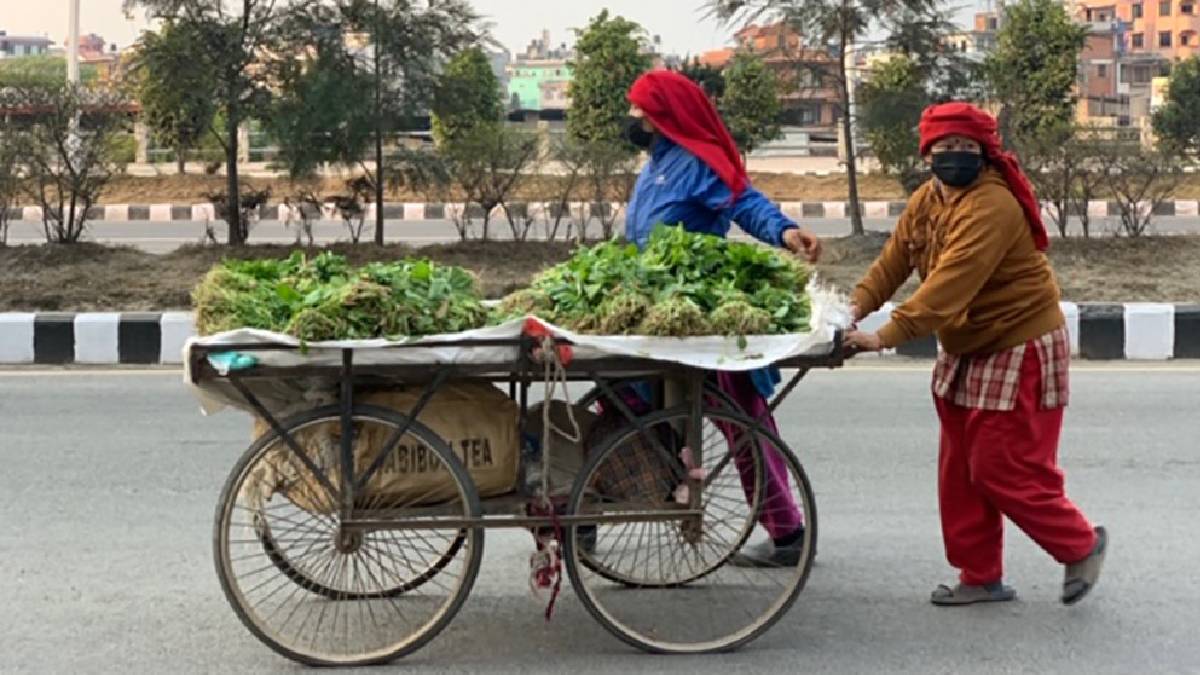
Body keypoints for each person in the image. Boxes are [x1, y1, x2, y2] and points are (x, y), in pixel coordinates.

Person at [843, 102, 1108, 605]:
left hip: (1016, 341)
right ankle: (979, 574)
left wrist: (884, 336)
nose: (955, 155)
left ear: (984, 152)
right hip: (966, 342)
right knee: (960, 469)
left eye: (966, 147)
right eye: (945, 147)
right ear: (928, 154)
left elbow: (949, 285)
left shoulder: (993, 205)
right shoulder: (928, 199)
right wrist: (852, 309)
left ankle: (1080, 544)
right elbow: (892, 262)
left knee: (1000, 467)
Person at [608, 69, 821, 568]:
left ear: (663, 116)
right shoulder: (655, 164)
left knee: (742, 420)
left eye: (640, 110)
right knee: (622, 398)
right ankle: (609, 504)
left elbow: (745, 202)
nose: (633, 119)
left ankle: (787, 532)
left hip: (700, 314)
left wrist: (785, 232)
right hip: (652, 310)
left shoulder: (697, 163)